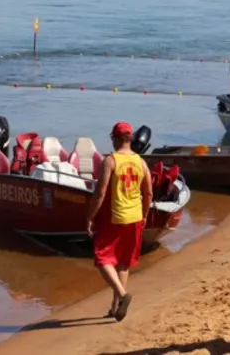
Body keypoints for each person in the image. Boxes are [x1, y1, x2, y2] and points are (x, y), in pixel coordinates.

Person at [84, 122, 153, 322]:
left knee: (102, 257)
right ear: (130, 139)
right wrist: (146, 214)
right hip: (136, 217)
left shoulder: (111, 161)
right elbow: (148, 192)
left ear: (115, 138)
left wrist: (90, 217)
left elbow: (101, 192)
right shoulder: (141, 162)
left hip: (117, 216)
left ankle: (122, 296)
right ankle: (115, 308)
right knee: (123, 262)